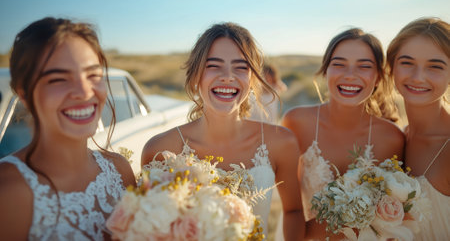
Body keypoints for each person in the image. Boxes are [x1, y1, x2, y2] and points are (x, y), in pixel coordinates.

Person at [141, 22, 305, 240]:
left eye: (240, 67)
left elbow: (293, 211)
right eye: (213, 65)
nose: (227, 76)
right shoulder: (160, 149)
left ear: (253, 78)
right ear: (195, 75)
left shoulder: (280, 142)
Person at [0, 17, 136, 240]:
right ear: (24, 94)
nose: (84, 92)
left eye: (93, 75)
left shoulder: (120, 170)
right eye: (58, 79)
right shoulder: (7, 193)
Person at [281, 28, 405, 240]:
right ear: (325, 70)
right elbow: (291, 211)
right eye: (339, 64)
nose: (350, 75)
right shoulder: (297, 122)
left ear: (378, 77)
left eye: (364, 67)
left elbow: (394, 220)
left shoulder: (391, 138)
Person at [387, 17, 450, 240]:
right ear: (391, 66)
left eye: (435, 66)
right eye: (407, 62)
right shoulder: (398, 137)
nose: (418, 77)